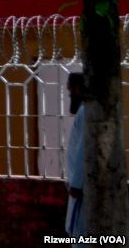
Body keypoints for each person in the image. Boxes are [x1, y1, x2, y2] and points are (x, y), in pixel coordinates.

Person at [66, 72, 86, 238]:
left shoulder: (84, 112)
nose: (69, 93)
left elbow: (83, 149)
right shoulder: (83, 112)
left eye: (70, 89)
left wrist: (76, 184)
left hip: (81, 188)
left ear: (78, 89)